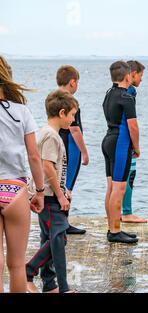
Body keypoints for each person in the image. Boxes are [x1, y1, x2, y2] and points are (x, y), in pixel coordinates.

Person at [26, 89, 78, 293]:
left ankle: (49, 284)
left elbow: (52, 168)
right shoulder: (50, 136)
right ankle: (29, 272)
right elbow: (47, 166)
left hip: (50, 193)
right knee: (59, 238)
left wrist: (63, 186)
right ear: (62, 112)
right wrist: (60, 195)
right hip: (48, 197)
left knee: (49, 238)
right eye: (72, 115)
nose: (73, 120)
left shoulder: (50, 134)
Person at [0, 56, 44, 293]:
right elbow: (34, 156)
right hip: (15, 190)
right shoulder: (21, 111)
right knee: (16, 265)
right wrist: (39, 191)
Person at [102, 61, 140, 244]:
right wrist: (137, 147)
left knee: (111, 187)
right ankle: (115, 231)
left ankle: (112, 228)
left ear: (111, 77)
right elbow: (133, 126)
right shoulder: (126, 98)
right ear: (128, 77)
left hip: (108, 140)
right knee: (119, 188)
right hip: (120, 144)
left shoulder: (108, 94)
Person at [57, 65, 89, 235]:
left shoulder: (53, 98)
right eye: (77, 82)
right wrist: (84, 152)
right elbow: (74, 129)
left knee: (58, 181)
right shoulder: (70, 101)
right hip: (71, 145)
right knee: (67, 183)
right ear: (72, 82)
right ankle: (64, 223)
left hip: (57, 142)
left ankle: (58, 221)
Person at [121, 60, 147, 224]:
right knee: (128, 176)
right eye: (141, 75)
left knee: (117, 179)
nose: (141, 80)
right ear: (133, 74)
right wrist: (136, 146)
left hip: (116, 138)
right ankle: (127, 212)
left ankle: (120, 212)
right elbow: (132, 123)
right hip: (126, 141)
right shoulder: (130, 91)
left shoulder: (115, 91)